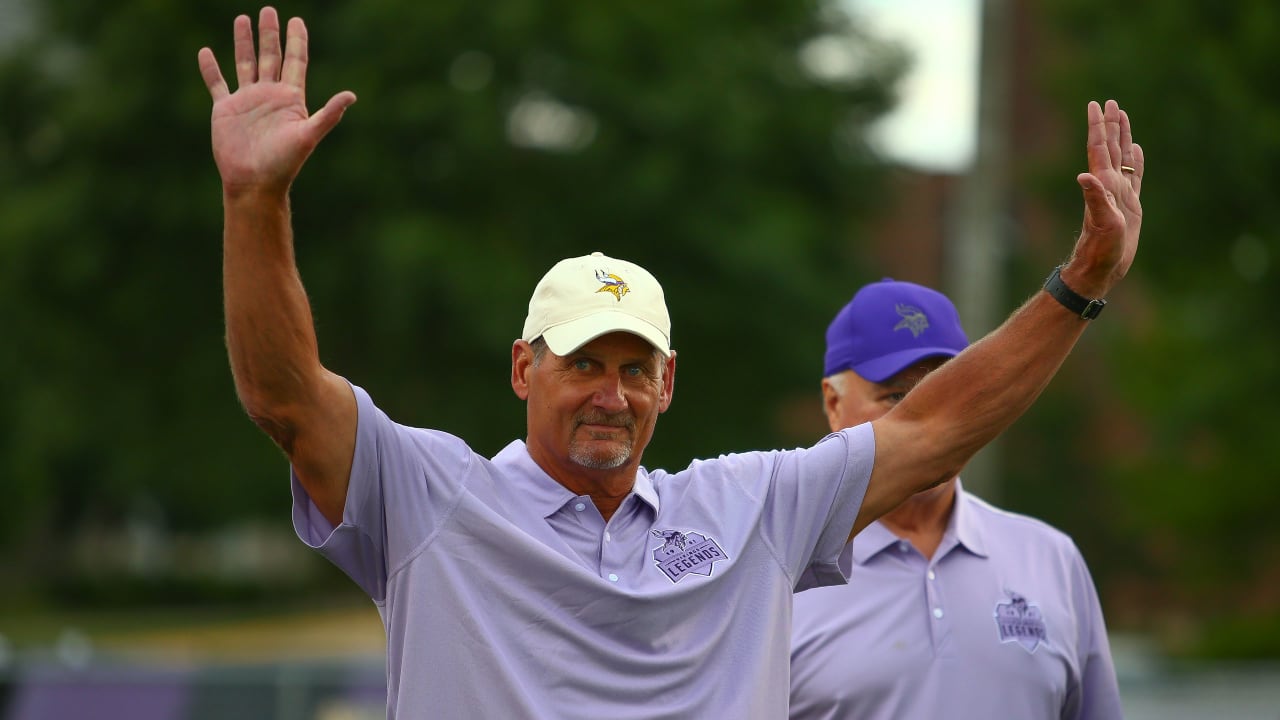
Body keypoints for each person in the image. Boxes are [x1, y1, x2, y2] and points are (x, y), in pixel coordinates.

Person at [196, 7, 1144, 719]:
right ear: (524, 368)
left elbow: (938, 424)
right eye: (583, 363)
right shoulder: (431, 496)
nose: (612, 393)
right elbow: (283, 397)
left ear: (668, 383)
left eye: (635, 367)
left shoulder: (747, 512)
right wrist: (255, 203)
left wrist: (1079, 283)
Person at [789, 279, 1125, 720]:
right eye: (897, 396)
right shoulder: (781, 578)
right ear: (834, 404)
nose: (928, 419)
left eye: (947, 393)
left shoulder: (1050, 559)